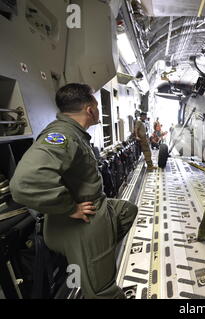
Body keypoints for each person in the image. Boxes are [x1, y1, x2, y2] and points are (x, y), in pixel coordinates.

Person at [9, 83, 138, 299]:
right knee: (103, 292)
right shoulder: (63, 135)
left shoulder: (71, 132)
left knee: (126, 211)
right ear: (90, 109)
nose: (98, 110)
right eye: (97, 106)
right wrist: (70, 207)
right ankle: (94, 265)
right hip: (83, 220)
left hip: (91, 212)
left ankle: (93, 261)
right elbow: (24, 183)